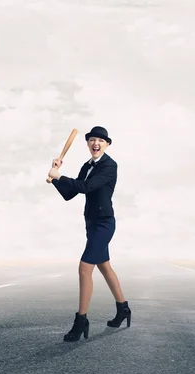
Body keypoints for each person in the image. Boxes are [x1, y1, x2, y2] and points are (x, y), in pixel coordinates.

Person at [48, 126, 132, 342]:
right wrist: (55, 176)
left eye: (100, 141)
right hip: (91, 223)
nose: (96, 143)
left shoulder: (109, 166)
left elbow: (86, 187)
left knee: (85, 268)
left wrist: (60, 176)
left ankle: (81, 320)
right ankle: (123, 309)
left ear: (107, 144)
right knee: (104, 266)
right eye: (92, 140)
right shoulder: (87, 166)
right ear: (87, 144)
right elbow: (70, 193)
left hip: (105, 223)